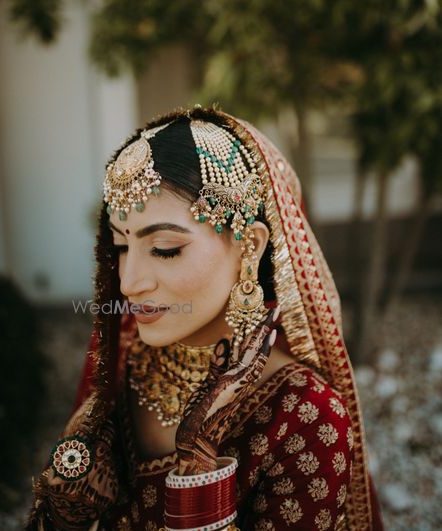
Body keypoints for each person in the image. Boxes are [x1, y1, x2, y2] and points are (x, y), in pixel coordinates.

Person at [27, 106, 384, 530]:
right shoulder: (131, 359)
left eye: (163, 248)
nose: (129, 282)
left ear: (249, 246)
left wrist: (198, 462)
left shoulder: (305, 416)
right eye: (121, 248)